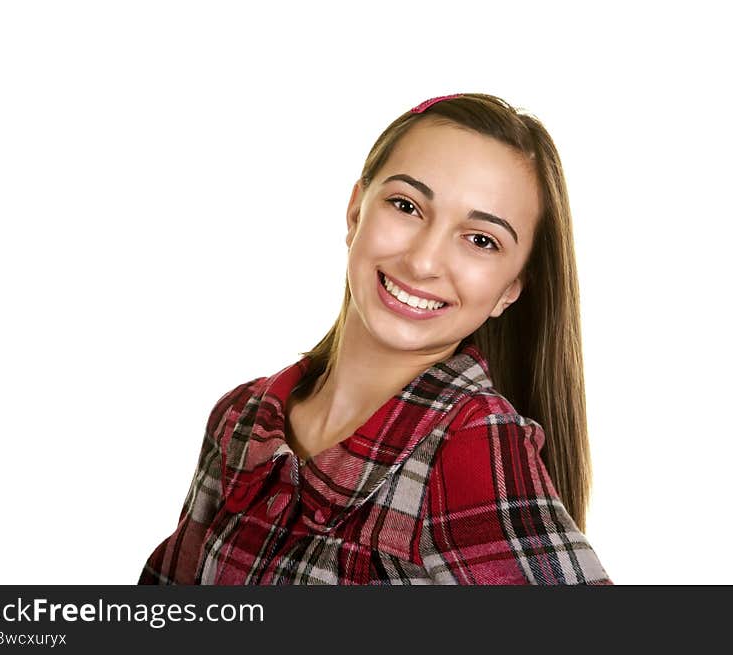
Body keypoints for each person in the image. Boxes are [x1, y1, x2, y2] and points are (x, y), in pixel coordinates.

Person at [138, 92, 612, 585]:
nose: (423, 262)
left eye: (480, 240)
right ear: (355, 210)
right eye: (406, 206)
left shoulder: (470, 442)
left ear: (509, 289)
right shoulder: (241, 419)